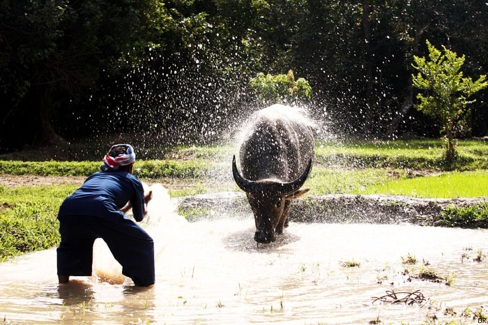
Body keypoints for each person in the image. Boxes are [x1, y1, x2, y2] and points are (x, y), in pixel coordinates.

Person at [56, 144, 155, 286]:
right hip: (100, 209)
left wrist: (127, 206)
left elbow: (101, 212)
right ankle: (144, 288)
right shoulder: (132, 180)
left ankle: (63, 288)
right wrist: (144, 201)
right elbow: (139, 217)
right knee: (144, 243)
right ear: (131, 165)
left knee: (70, 247)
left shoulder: (94, 176)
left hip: (68, 209)